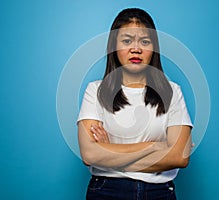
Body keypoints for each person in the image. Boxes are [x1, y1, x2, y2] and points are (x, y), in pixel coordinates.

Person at [77, 8, 193, 200]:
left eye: (145, 42)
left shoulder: (172, 92)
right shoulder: (95, 91)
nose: (136, 48)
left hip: (159, 193)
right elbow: (89, 154)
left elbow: (179, 157)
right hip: (107, 191)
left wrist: (109, 154)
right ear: (114, 47)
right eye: (127, 40)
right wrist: (155, 147)